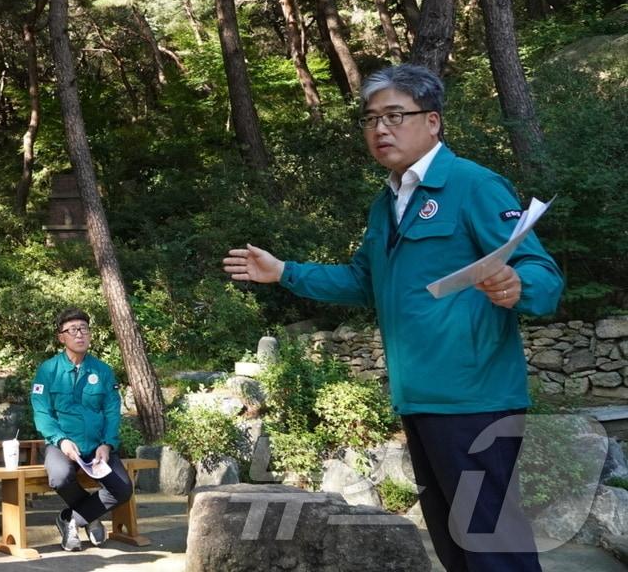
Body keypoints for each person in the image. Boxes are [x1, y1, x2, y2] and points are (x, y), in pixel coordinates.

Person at [223, 63, 563, 572]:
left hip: (475, 398)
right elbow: (364, 281)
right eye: (370, 119)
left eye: (395, 115)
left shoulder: (472, 184)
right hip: (418, 398)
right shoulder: (387, 204)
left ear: (433, 121)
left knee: (494, 546)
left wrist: (519, 285)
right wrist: (285, 272)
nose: (380, 128)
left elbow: (541, 270)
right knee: (456, 546)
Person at [29, 308, 132, 551]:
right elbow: (42, 412)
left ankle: (70, 519)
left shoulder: (102, 371)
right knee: (59, 476)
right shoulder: (48, 370)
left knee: (122, 489)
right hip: (61, 445)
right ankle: (92, 517)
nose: (79, 334)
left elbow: (111, 410)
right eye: (72, 330)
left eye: (84, 329)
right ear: (61, 337)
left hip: (97, 446)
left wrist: (107, 443)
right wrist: (61, 440)